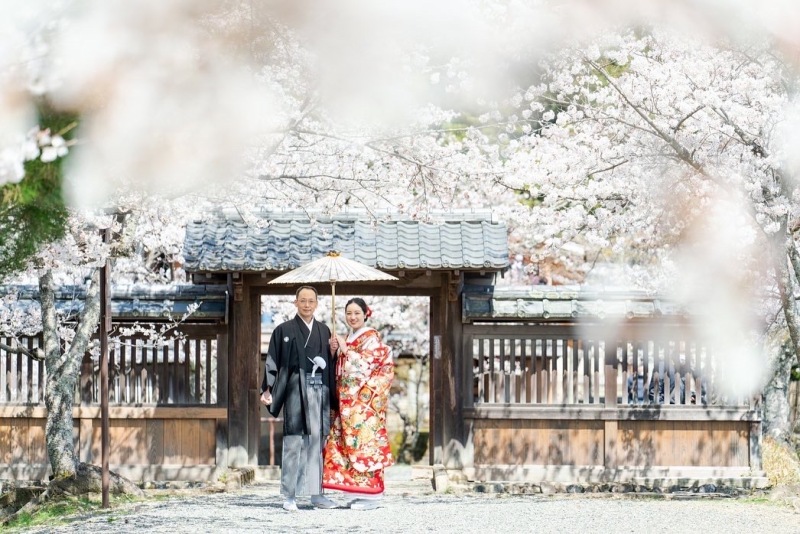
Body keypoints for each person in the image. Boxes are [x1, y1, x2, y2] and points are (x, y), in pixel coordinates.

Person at [260, 285, 340, 511]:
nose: (306, 304)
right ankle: (290, 495)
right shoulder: (283, 330)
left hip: (319, 391)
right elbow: (273, 361)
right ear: (295, 302)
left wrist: (333, 352)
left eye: (311, 301)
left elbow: (330, 365)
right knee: (294, 442)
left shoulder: (325, 331)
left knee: (317, 442)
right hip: (295, 391)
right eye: (302, 300)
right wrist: (268, 388)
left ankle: (317, 495)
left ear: (317, 303)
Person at [322, 297, 395, 510]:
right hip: (348, 404)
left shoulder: (371, 338)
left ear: (365, 314)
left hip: (364, 406)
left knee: (366, 446)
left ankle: (373, 495)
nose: (352, 317)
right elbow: (340, 370)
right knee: (347, 446)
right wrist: (335, 352)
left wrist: (346, 351)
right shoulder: (349, 337)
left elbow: (367, 366)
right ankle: (360, 492)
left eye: (356, 313)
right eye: (349, 313)